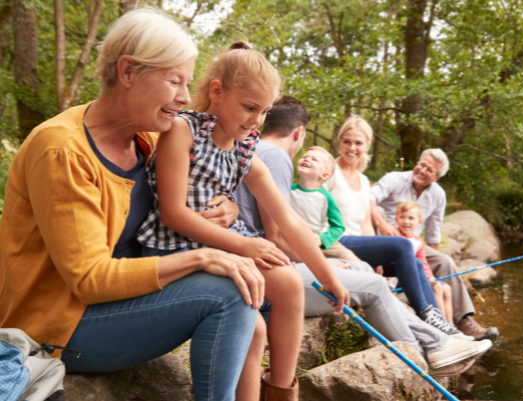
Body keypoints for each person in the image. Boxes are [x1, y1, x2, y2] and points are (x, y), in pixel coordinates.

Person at [0, 10, 264, 401]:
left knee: (250, 310)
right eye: (174, 81)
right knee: (226, 296)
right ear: (127, 72)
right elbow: (88, 279)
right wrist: (201, 257)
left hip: (118, 303)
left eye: (187, 83)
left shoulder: (148, 138)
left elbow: (197, 187)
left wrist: (228, 207)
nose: (185, 97)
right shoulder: (61, 149)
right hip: (56, 323)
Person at [137, 41, 349, 400]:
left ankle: (281, 389)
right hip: (177, 246)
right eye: (249, 108)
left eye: (264, 112)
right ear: (217, 92)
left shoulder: (243, 149)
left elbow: (289, 220)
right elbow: (173, 213)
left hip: (221, 243)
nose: (256, 121)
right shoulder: (183, 132)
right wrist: (245, 244)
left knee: (287, 285)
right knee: (254, 327)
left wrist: (329, 278)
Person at [234, 96, 491, 377]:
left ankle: (439, 334)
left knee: (365, 268)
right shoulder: (277, 158)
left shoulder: (252, 150)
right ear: (299, 133)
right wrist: (326, 267)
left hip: (280, 263)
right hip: (275, 276)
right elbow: (278, 237)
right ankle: (427, 350)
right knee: (376, 284)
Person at [325, 117, 460, 336]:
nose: (352, 148)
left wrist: (374, 256)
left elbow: (365, 221)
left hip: (357, 243)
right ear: (339, 141)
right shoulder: (329, 171)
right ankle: (425, 312)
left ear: (367, 146)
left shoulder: (361, 179)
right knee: (403, 246)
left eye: (358, 143)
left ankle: (437, 322)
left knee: (415, 265)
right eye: (347, 141)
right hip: (336, 241)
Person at [370, 149, 499, 341]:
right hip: (386, 238)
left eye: (429, 170)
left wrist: (429, 273)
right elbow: (367, 199)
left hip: (413, 243)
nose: (422, 170)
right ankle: (440, 323)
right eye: (421, 164)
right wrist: (382, 224)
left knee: (444, 261)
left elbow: (433, 233)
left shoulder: (438, 195)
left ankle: (465, 322)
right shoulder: (394, 179)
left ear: (437, 177)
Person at [289, 146, 360, 261]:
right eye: (305, 157)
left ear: (324, 175)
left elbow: (338, 227)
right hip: (294, 242)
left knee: (356, 262)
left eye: (314, 159)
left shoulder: (327, 197)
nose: (306, 159)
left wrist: (321, 239)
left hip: (322, 242)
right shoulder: (288, 191)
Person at [396, 201, 453, 321]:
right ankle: (441, 322)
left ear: (419, 222)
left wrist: (430, 277)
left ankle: (450, 324)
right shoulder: (394, 236)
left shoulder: (418, 241)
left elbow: (423, 263)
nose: (406, 221)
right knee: (437, 287)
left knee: (446, 288)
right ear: (396, 219)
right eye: (402, 217)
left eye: (411, 218)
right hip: (403, 278)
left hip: (419, 275)